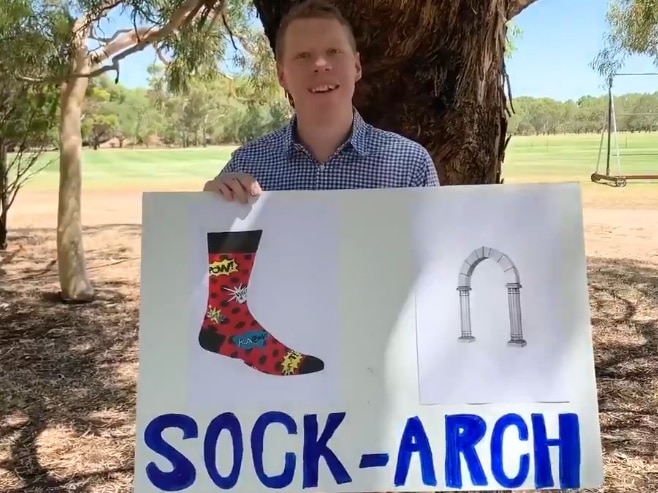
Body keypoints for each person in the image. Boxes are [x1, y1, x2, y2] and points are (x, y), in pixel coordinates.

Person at [203, 0, 439, 202]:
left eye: (334, 51)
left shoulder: (410, 166)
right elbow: (211, 250)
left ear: (356, 66)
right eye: (303, 56)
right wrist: (209, 207)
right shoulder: (246, 165)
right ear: (282, 75)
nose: (320, 64)